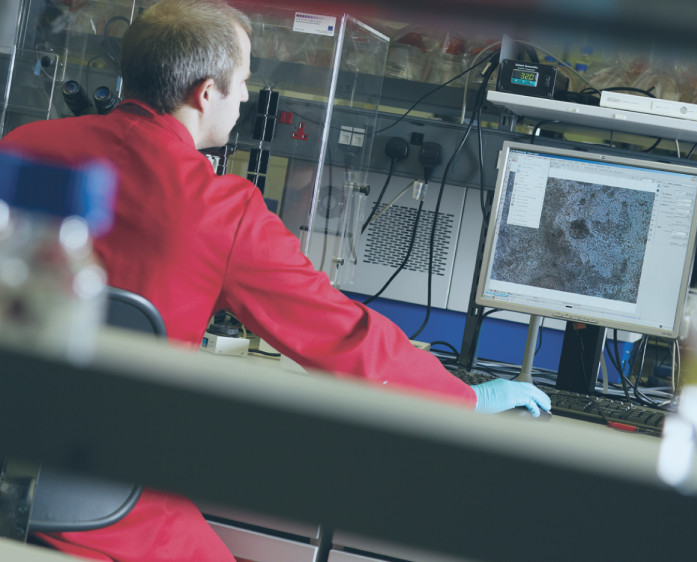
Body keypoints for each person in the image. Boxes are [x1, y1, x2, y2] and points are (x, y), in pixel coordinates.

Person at [0, 0, 549, 560]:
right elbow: (343, 335)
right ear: (205, 92)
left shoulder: (23, 147)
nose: (245, 97)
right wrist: (464, 399)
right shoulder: (218, 208)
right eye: (242, 81)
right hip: (107, 500)